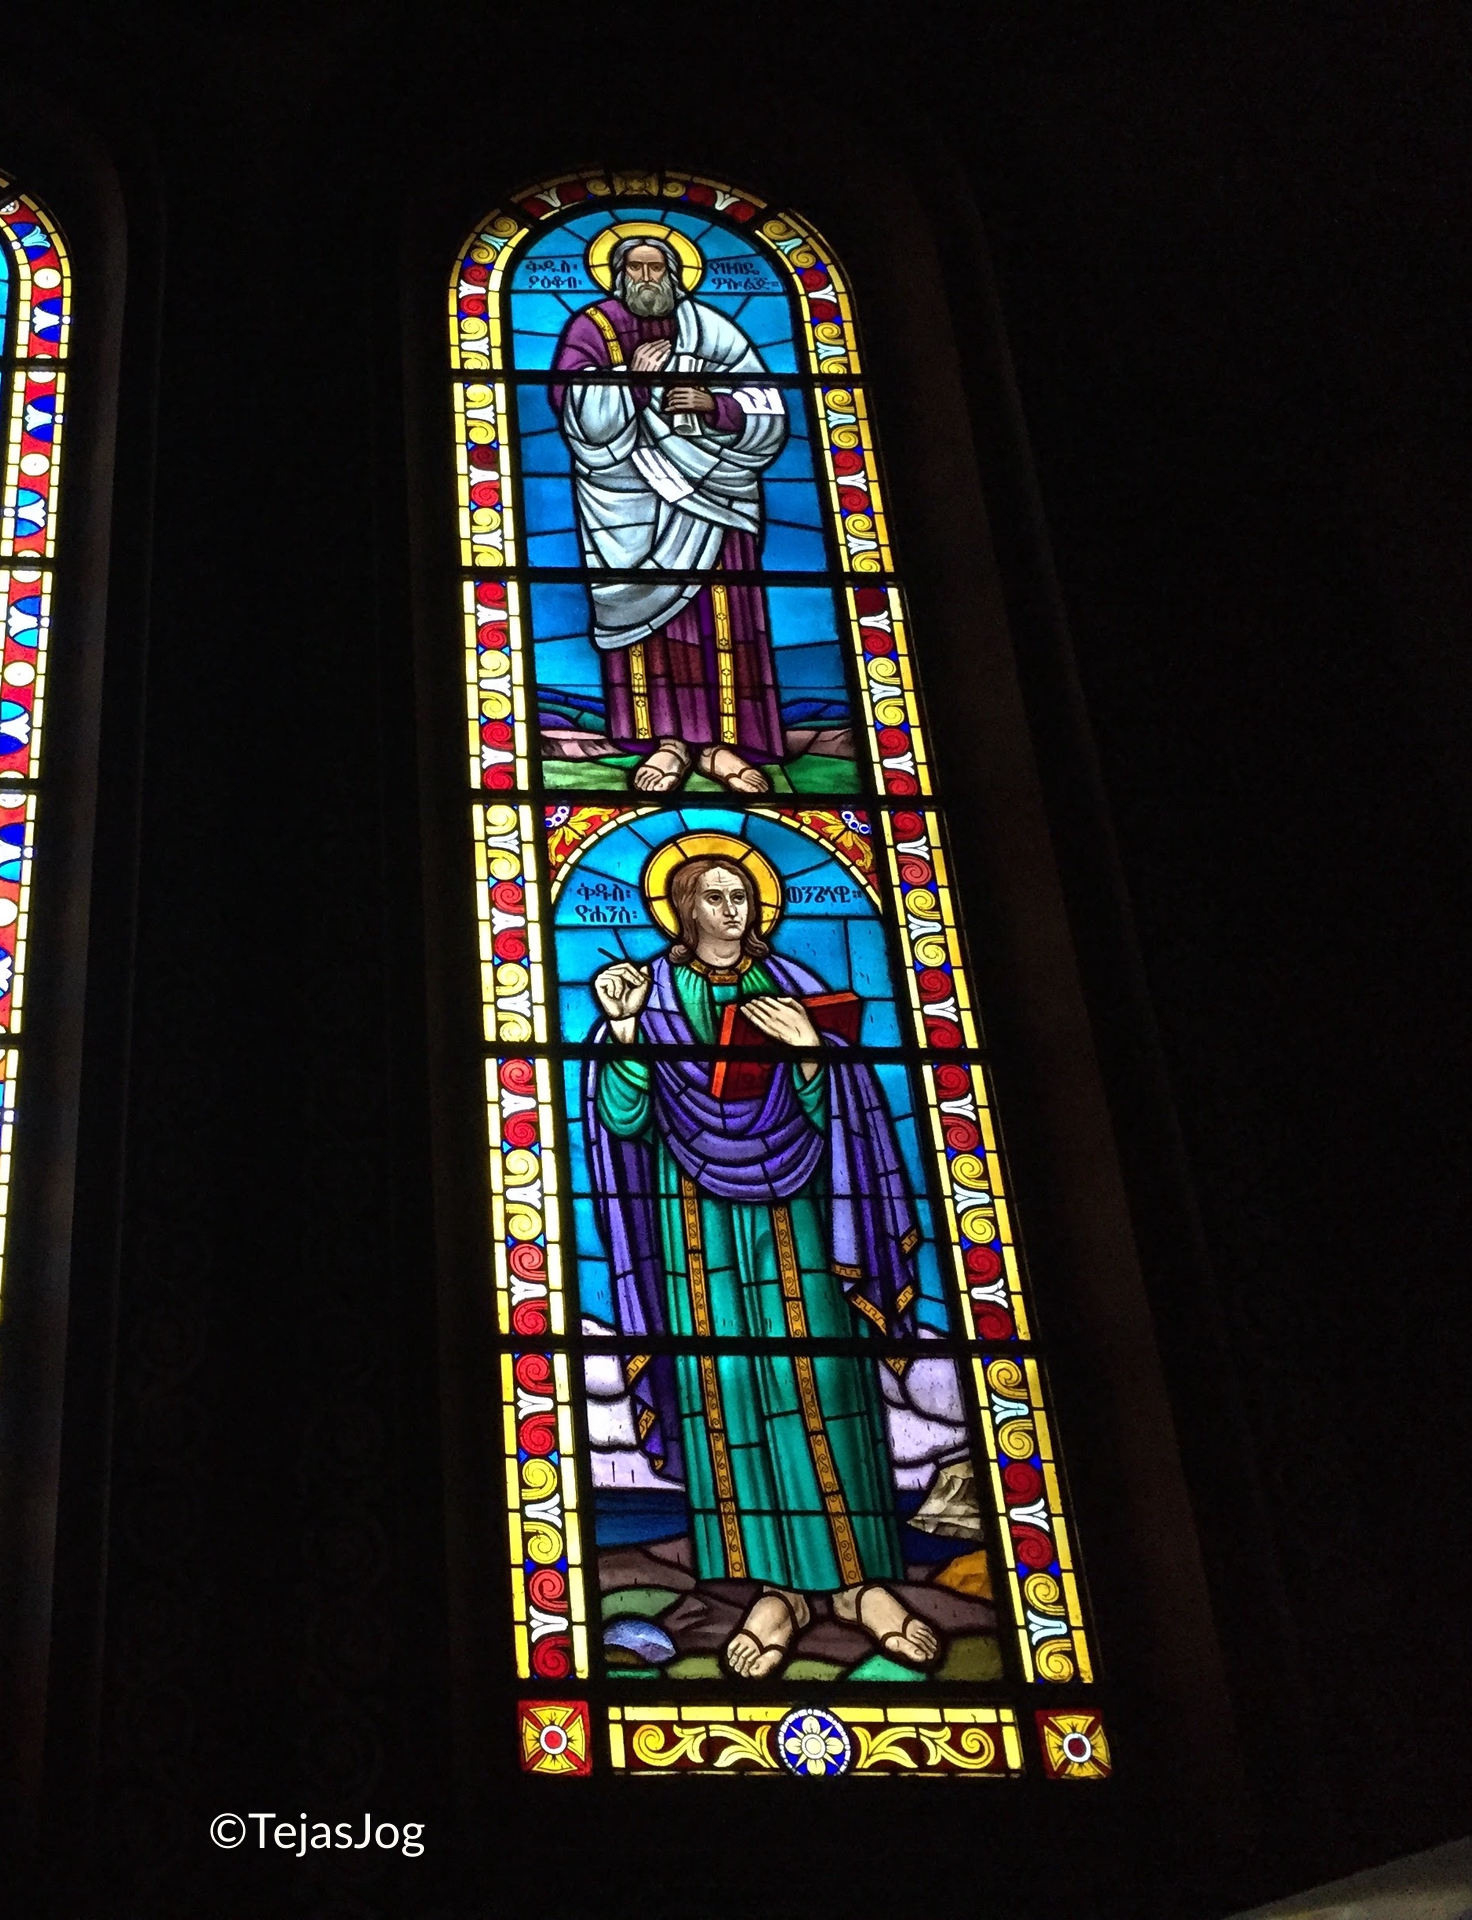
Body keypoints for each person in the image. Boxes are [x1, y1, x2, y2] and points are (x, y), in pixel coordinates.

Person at [582, 846, 940, 1676]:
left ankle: (859, 1585)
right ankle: (773, 1591)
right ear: (683, 908)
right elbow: (625, 1120)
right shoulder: (647, 995)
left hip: (802, 1215)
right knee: (728, 1388)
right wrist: (629, 1030)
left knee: (825, 1378)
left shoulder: (792, 993)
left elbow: (843, 1106)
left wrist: (812, 1051)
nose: (732, 908)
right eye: (714, 895)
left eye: (742, 893)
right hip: (695, 1225)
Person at [551, 236, 790, 794]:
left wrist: (717, 405)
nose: (648, 278)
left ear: (675, 274)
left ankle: (722, 747)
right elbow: (575, 411)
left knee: (724, 614)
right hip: (628, 501)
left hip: (715, 496)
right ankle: (667, 741)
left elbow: (768, 399)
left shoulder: (710, 328)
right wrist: (629, 379)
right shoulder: (593, 330)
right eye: (636, 268)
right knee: (650, 623)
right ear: (617, 274)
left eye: (657, 268)